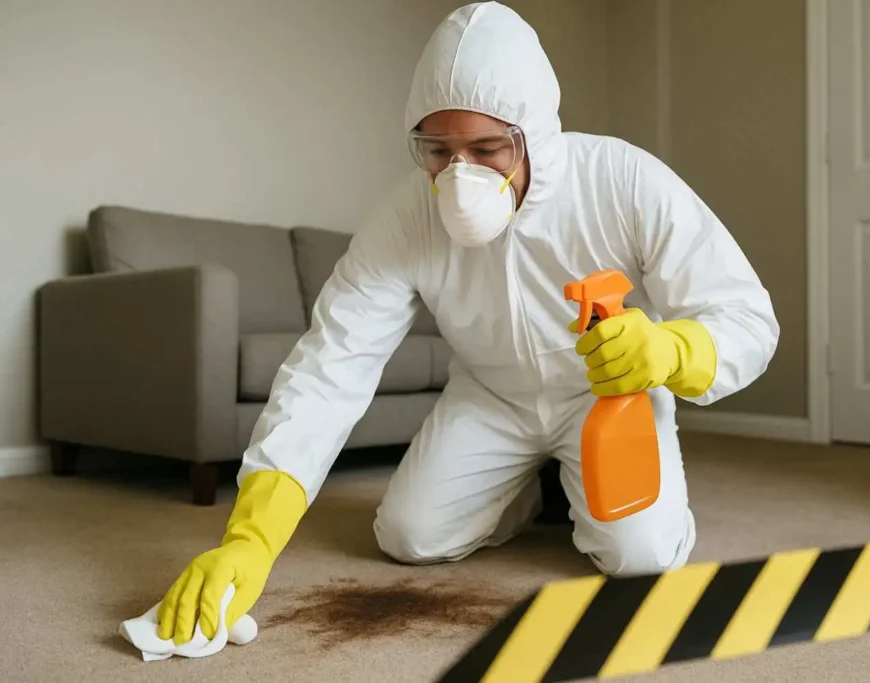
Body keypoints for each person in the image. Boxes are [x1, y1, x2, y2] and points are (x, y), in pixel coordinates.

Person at [156, 1, 779, 646]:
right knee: (407, 536)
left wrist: (670, 350)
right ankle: (535, 489)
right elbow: (330, 364)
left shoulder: (621, 180)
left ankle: (588, 485)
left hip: (609, 397)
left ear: (532, 132)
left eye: (486, 148)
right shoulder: (405, 219)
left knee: (641, 555)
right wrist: (250, 539)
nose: (460, 177)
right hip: (491, 397)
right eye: (437, 151)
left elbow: (748, 319)